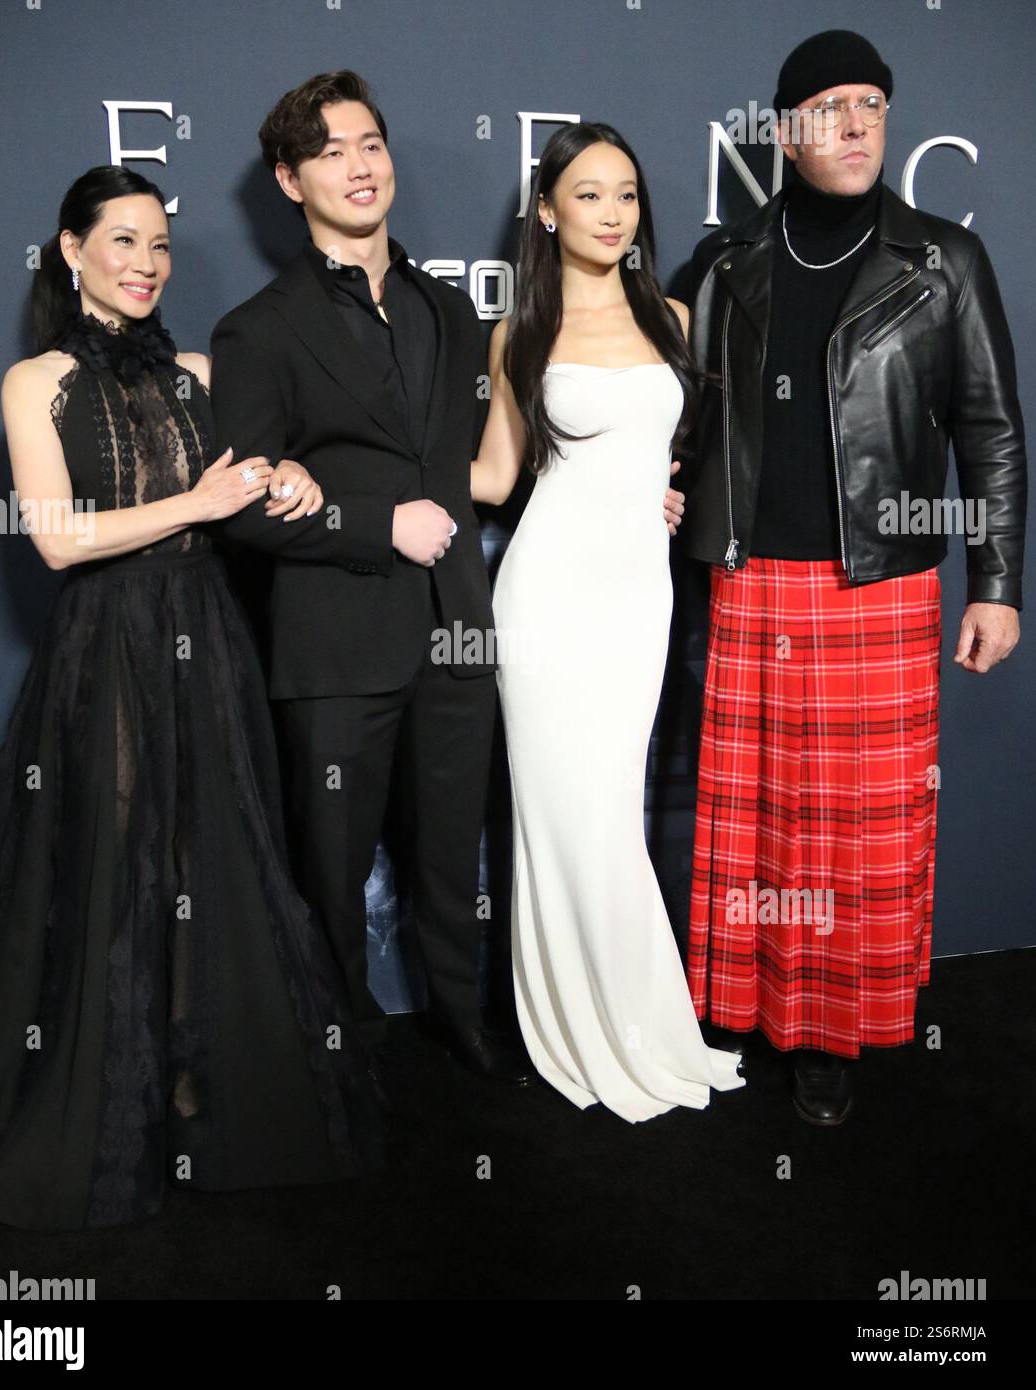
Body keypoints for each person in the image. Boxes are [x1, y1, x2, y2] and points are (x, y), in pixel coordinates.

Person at [0, 165, 383, 1231]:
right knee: (116, 856)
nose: (145, 263)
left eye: (160, 246)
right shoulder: (33, 381)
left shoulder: (194, 369)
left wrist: (295, 482)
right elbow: (54, 539)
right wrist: (200, 497)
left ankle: (198, 1087)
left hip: (206, 633)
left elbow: (255, 481)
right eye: (123, 241)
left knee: (208, 854)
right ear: (70, 248)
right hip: (106, 644)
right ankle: (109, 1099)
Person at [680, 30, 1026, 1124]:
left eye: (870, 106)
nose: (854, 125)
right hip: (748, 579)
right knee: (760, 820)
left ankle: (828, 1034)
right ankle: (739, 1005)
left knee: (857, 826)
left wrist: (997, 583)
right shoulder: (726, 264)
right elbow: (685, 416)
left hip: (876, 583)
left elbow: (992, 432)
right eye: (828, 107)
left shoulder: (940, 262)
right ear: (785, 130)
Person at [208, 71, 531, 1084]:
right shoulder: (256, 331)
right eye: (333, 151)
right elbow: (246, 504)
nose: (360, 166)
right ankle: (333, 1042)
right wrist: (371, 524)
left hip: (454, 632)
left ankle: (461, 1020)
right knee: (332, 867)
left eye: (371, 144)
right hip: (335, 640)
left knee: (449, 854)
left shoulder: (448, 309)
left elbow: (479, 466)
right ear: (289, 178)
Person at [471, 122, 746, 1123]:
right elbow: (497, 479)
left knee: (610, 812)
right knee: (557, 820)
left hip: (638, 597)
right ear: (546, 210)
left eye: (624, 193)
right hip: (543, 598)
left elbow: (665, 455)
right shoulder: (518, 334)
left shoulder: (671, 315)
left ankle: (634, 1019)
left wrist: (657, 496)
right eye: (586, 194)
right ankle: (573, 1027)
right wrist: (370, 478)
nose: (610, 212)